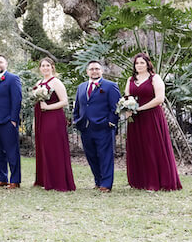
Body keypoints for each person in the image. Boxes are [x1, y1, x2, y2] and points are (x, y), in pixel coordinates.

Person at [124, 53, 182, 191]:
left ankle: (155, 182)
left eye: (142, 63)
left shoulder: (155, 78)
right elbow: (127, 96)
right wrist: (126, 108)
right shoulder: (131, 79)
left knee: (152, 147)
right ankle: (140, 181)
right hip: (135, 119)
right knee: (138, 147)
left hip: (152, 117)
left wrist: (140, 108)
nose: (139, 65)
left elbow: (159, 99)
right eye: (137, 63)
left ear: (148, 64)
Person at [73, 60, 120, 192]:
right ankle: (98, 181)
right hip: (86, 128)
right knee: (91, 156)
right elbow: (77, 106)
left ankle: (106, 184)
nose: (94, 71)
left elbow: (116, 107)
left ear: (102, 71)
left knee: (105, 156)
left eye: (97, 69)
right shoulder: (81, 87)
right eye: (92, 69)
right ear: (87, 71)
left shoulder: (110, 86)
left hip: (103, 127)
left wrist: (110, 122)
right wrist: (77, 120)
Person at [32, 58, 76, 192]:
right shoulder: (38, 83)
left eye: (47, 65)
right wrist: (35, 122)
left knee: (53, 147)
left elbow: (64, 102)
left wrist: (48, 107)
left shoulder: (56, 82)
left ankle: (57, 180)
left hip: (53, 118)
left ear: (52, 67)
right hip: (41, 117)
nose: (45, 68)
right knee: (43, 147)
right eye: (42, 66)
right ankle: (45, 179)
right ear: (40, 68)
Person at [0, 55, 22, 189]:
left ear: (6, 64)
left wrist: (13, 119)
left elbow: (17, 99)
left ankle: (15, 180)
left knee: (12, 151)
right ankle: (2, 179)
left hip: (7, 121)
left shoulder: (13, 79)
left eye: (0, 62)